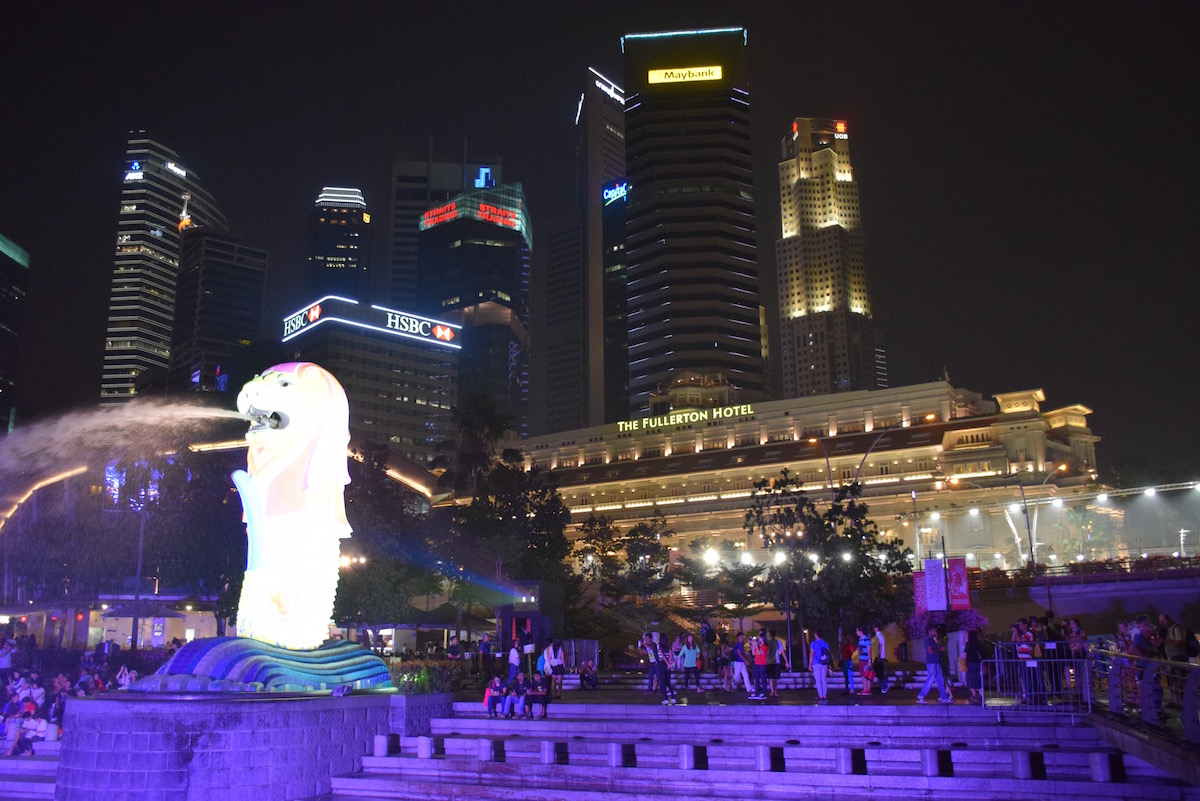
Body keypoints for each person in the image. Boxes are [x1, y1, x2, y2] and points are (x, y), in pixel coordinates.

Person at [915, 625, 952, 703]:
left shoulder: (933, 640)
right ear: (929, 632)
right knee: (931, 678)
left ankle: (944, 697)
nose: (935, 632)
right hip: (932, 663)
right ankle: (921, 695)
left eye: (936, 631)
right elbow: (930, 651)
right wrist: (940, 649)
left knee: (940, 680)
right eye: (934, 631)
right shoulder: (928, 641)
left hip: (936, 662)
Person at [809, 630, 832, 701]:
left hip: (816, 663)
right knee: (823, 679)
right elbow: (828, 655)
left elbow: (812, 654)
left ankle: (820, 695)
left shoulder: (813, 643)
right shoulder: (825, 643)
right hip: (824, 663)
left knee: (818, 680)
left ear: (816, 635)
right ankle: (825, 695)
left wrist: (810, 663)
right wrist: (830, 665)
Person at [964, 629, 984, 704]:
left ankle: (974, 694)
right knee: (977, 678)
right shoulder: (978, 643)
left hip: (970, 663)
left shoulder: (969, 644)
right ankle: (981, 694)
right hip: (978, 663)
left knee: (969, 678)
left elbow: (964, 654)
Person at [750, 630, 769, 700]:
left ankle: (764, 693)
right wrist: (753, 645)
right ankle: (756, 693)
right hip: (756, 664)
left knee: (763, 678)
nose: (759, 639)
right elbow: (753, 653)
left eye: (760, 638)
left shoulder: (765, 646)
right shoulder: (758, 645)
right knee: (756, 678)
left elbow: (759, 653)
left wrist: (756, 646)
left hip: (762, 664)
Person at [856, 627, 874, 696]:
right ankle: (865, 688)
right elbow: (861, 651)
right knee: (863, 674)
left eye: (857, 631)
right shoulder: (859, 640)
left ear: (861, 632)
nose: (856, 633)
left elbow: (869, 651)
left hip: (866, 660)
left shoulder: (867, 640)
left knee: (867, 674)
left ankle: (868, 689)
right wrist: (859, 650)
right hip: (861, 659)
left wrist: (869, 660)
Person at [873, 625, 890, 693]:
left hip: (879, 657)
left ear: (877, 628)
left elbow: (880, 646)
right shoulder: (880, 635)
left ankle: (885, 684)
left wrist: (879, 656)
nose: (873, 629)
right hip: (880, 656)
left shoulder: (879, 635)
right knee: (879, 672)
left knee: (879, 672)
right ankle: (884, 685)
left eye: (874, 627)